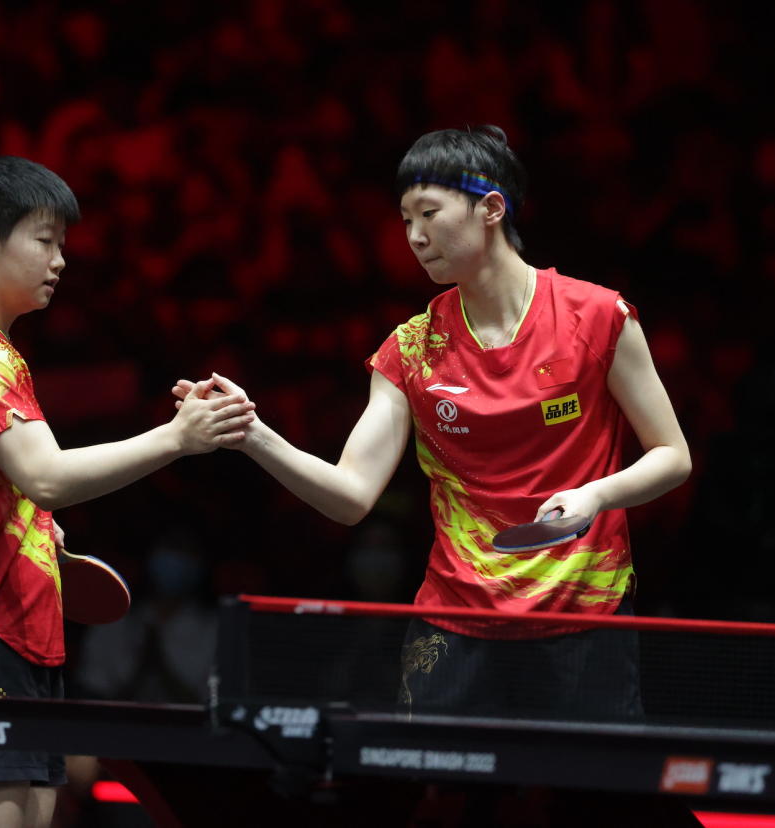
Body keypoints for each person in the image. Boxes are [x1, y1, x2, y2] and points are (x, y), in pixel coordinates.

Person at [175, 127, 696, 822]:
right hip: (458, 622)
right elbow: (351, 497)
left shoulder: (597, 317)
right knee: (449, 812)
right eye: (405, 220)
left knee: (600, 809)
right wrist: (255, 434)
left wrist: (596, 495)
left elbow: (672, 455)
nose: (414, 236)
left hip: (584, 616)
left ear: (491, 207)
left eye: (429, 212)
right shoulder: (412, 351)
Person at [0, 155, 254, 828]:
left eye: (62, 245)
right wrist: (177, 438)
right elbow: (45, 475)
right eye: (44, 240)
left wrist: (9, 510)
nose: (60, 260)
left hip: (17, 637)